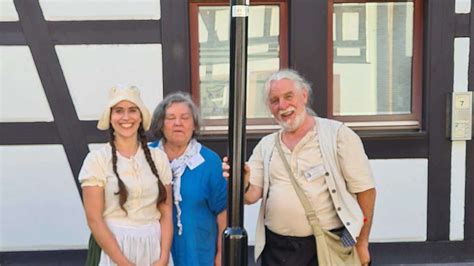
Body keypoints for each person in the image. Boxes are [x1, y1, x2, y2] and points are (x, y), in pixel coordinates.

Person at [223, 69, 376, 265]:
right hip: (276, 251)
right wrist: (241, 182)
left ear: (304, 95)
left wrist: (362, 244)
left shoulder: (338, 135)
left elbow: (366, 191)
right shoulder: (266, 145)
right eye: (274, 100)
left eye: (288, 96)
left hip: (325, 248)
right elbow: (250, 195)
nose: (283, 106)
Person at [79, 85, 173, 266]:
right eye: (118, 111)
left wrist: (163, 258)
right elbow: (94, 219)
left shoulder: (158, 159)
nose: (126, 117)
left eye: (132, 110)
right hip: (114, 249)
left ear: (140, 117)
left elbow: (166, 212)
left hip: (153, 247)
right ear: (110, 118)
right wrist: (124, 263)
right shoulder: (96, 160)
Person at [149, 92, 227, 266]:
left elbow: (223, 211)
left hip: (197, 254)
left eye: (185, 117)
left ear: (194, 125)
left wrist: (222, 253)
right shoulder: (146, 156)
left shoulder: (209, 161)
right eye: (170, 118)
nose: (178, 123)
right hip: (151, 253)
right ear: (161, 124)